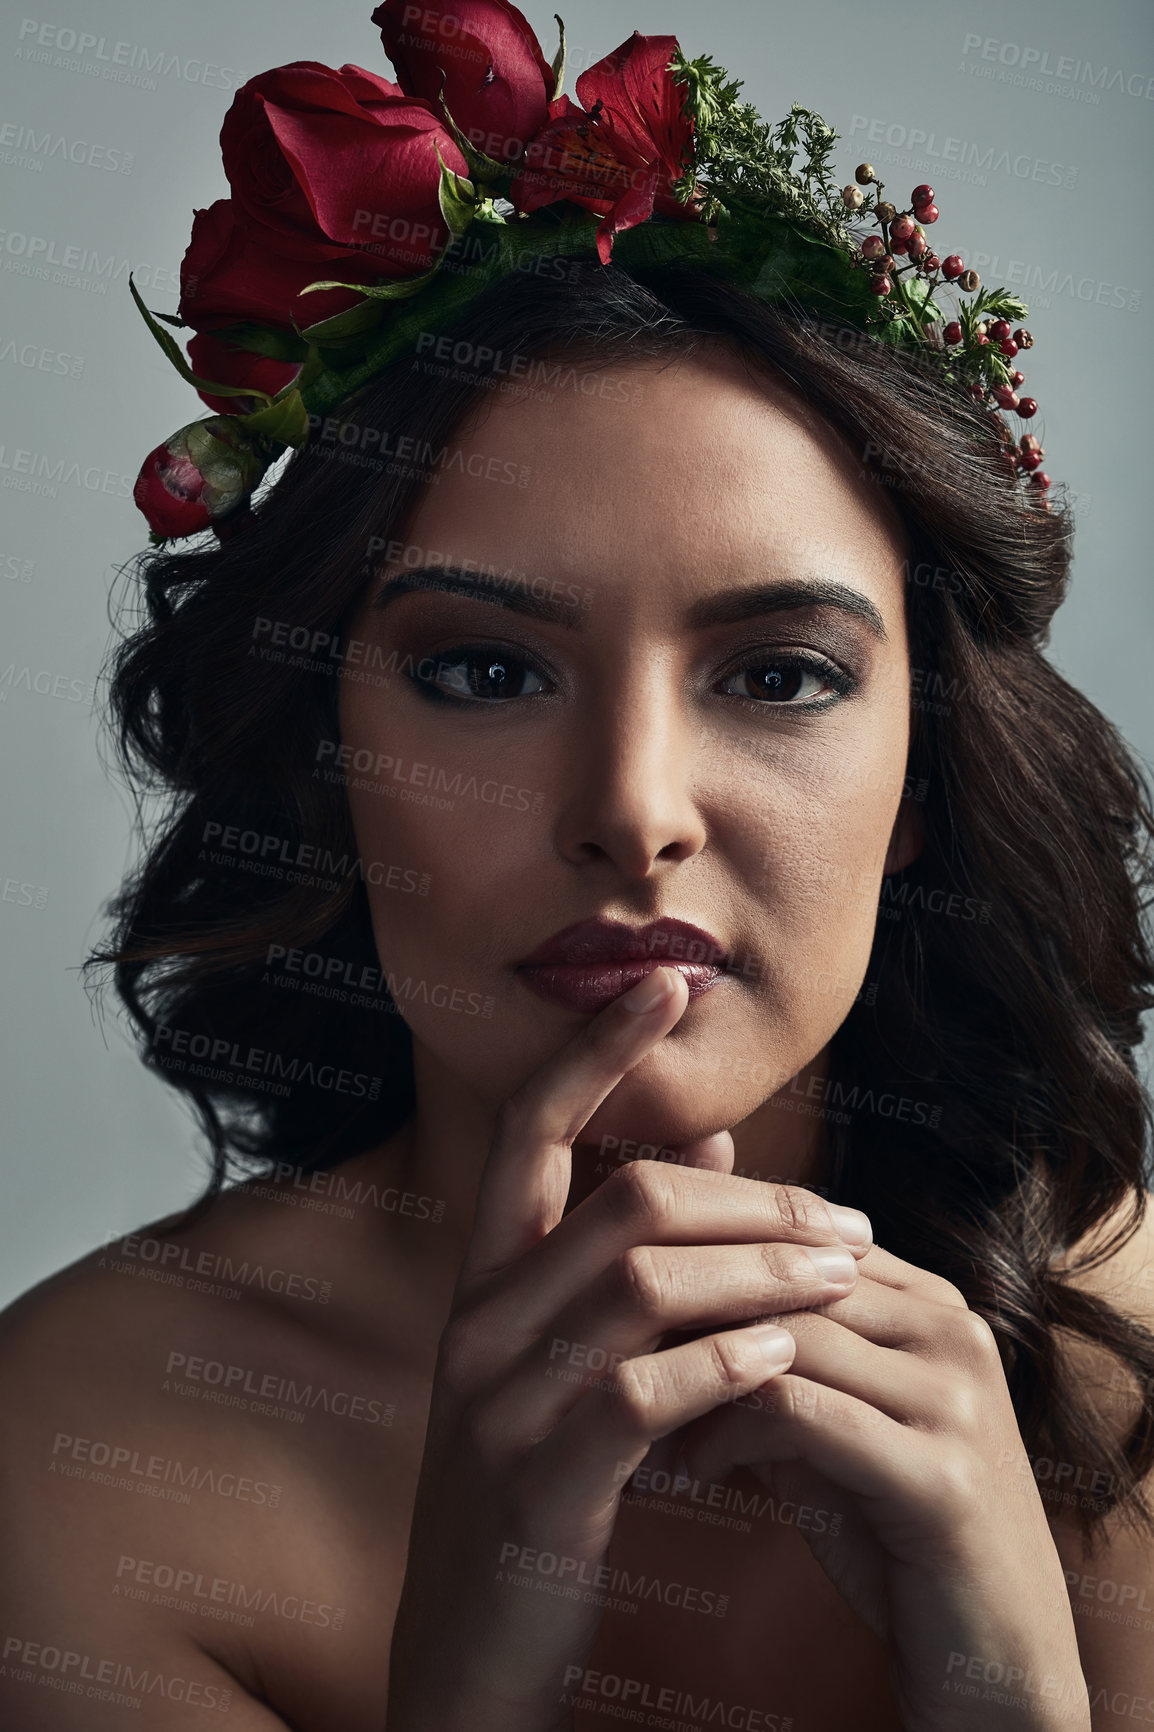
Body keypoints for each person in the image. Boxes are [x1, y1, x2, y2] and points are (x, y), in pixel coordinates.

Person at [2, 8, 1153, 1730]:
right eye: (483, 672)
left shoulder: (1123, 1371)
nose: (633, 811)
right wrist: (468, 1683)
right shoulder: (77, 1456)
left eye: (775, 676)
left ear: (925, 774)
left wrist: (1016, 1690)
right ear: (334, 764)